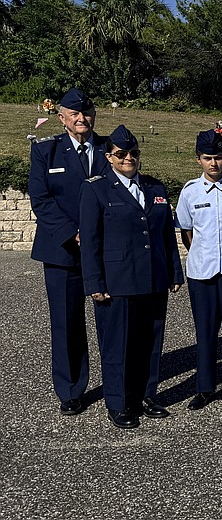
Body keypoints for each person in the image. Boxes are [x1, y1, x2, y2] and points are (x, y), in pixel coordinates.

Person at [80, 125, 183, 429]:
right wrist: (95, 283)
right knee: (118, 345)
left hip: (153, 278)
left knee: (150, 342)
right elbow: (91, 240)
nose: (128, 159)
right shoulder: (96, 188)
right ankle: (118, 403)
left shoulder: (155, 188)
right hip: (118, 281)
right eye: (121, 154)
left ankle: (145, 397)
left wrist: (175, 271)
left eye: (133, 153)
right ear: (108, 157)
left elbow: (166, 235)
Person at [28, 88, 111, 416]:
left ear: (93, 116)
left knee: (112, 319)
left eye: (86, 113)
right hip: (63, 251)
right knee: (66, 322)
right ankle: (72, 389)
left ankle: (118, 385)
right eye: (74, 114)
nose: (81, 119)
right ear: (61, 118)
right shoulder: (46, 151)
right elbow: (41, 199)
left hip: (105, 249)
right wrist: (73, 233)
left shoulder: (111, 148)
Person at [176, 130, 222, 410]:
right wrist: (201, 256)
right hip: (202, 271)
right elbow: (187, 232)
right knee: (205, 332)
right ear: (198, 160)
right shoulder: (190, 192)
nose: (213, 164)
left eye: (217, 158)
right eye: (207, 158)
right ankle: (205, 387)